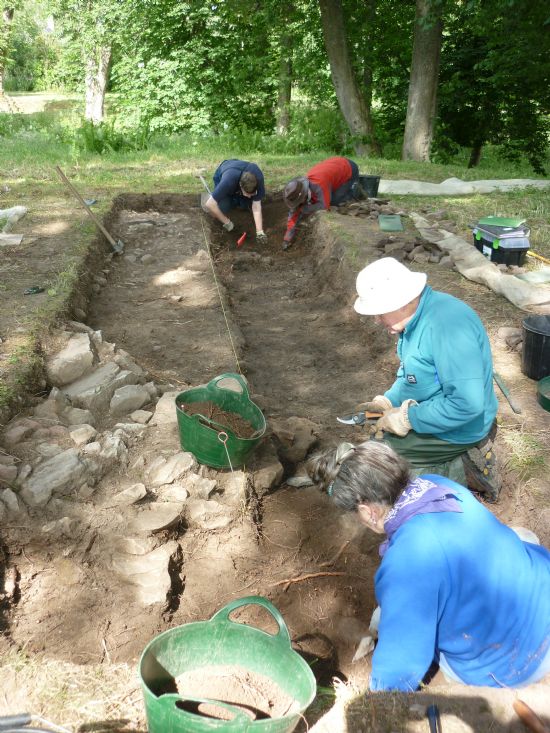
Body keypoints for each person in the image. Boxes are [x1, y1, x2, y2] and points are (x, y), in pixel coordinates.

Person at [307, 440, 550, 692]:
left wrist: (376, 698)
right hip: (541, 592)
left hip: (516, 659)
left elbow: (399, 670)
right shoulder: (435, 483)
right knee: (521, 537)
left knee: (415, 624)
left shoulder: (407, 563)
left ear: (367, 511)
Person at [352, 257, 500, 499]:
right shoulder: (413, 320)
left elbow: (466, 406)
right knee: (376, 435)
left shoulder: (447, 328)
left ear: (402, 301)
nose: (376, 320)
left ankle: (460, 474)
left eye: (379, 312)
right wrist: (387, 402)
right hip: (438, 410)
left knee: (381, 458)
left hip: (461, 426)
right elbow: (413, 375)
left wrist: (407, 418)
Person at [282, 156, 366, 249]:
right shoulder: (300, 189)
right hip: (334, 168)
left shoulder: (319, 185)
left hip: (349, 169)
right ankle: (337, 189)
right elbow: (293, 214)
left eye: (299, 202)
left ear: (304, 195)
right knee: (326, 194)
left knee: (334, 200)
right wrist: (287, 237)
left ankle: (354, 191)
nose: (298, 205)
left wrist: (304, 209)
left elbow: (324, 206)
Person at [202, 159, 267, 244]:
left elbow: (256, 206)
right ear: (240, 185)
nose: (250, 196)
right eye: (247, 193)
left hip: (238, 176)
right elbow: (210, 204)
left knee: (246, 203)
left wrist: (260, 232)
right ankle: (226, 197)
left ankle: (239, 200)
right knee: (222, 207)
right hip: (225, 171)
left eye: (252, 194)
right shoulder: (227, 181)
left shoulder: (259, 178)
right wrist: (227, 222)